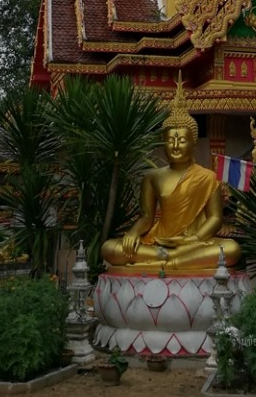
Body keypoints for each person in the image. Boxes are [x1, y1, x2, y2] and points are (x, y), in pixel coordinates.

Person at [101, 80, 241, 273]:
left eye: (182, 140)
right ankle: (171, 259)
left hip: (193, 243)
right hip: (158, 241)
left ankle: (170, 262)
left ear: (194, 144)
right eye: (170, 140)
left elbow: (216, 218)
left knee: (232, 249)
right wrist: (133, 232)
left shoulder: (208, 177)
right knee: (110, 248)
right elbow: (147, 217)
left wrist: (193, 239)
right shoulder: (153, 177)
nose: (175, 146)